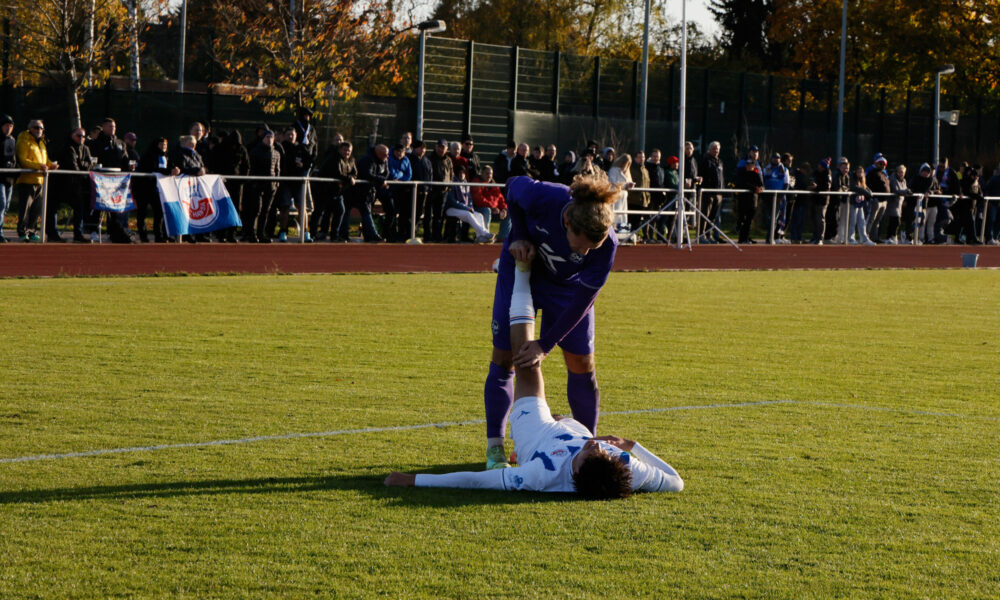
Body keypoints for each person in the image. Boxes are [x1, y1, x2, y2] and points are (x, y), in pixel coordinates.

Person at [483, 175, 619, 469]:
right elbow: (512, 188)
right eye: (581, 247)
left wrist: (545, 345)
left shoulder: (607, 246)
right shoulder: (544, 196)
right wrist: (518, 233)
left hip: (567, 289)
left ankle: (585, 446)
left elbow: (583, 300)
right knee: (507, 357)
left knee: (582, 364)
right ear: (568, 220)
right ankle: (495, 448)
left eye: (591, 249)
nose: (584, 254)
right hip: (522, 272)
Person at [14, 119, 58, 242]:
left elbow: (45, 160)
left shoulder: (42, 143)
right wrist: (39, 166)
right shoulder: (24, 140)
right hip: (27, 181)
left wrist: (51, 165)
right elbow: (23, 160)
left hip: (40, 181)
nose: (39, 130)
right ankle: (22, 232)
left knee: (36, 209)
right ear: (30, 128)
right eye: (36, 127)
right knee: (25, 209)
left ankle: (32, 231)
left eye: (41, 128)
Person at [52, 128, 94, 243]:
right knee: (53, 208)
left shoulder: (86, 148)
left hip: (77, 186)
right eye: (78, 136)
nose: (81, 138)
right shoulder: (68, 147)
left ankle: (78, 235)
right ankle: (52, 234)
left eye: (83, 136)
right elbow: (73, 166)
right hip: (61, 184)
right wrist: (84, 165)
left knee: (79, 209)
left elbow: (89, 164)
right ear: (72, 136)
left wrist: (83, 165)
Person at [242, 130, 281, 243]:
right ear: (263, 138)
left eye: (271, 137)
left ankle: (261, 233)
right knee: (256, 210)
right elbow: (252, 168)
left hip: (271, 186)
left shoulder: (276, 153)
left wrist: (276, 183)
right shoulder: (255, 151)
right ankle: (251, 233)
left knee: (266, 210)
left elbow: (277, 169)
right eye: (267, 137)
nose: (270, 139)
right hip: (257, 185)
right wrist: (253, 183)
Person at [443, 164, 494, 243]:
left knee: (479, 215)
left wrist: (471, 207)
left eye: (463, 173)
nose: (461, 175)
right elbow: (453, 202)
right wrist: (467, 208)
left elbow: (469, 198)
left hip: (463, 209)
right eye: (460, 173)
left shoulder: (466, 184)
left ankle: (479, 237)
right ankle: (485, 233)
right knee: (468, 214)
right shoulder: (453, 184)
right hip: (451, 209)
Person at [136, 137, 170, 243]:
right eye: (161, 144)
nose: (163, 147)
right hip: (145, 188)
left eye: (165, 145)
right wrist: (166, 171)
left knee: (159, 213)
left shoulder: (166, 157)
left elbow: (169, 168)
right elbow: (150, 168)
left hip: (158, 190)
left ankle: (159, 236)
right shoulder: (149, 155)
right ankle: (143, 235)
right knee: (142, 213)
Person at [355, 144, 391, 243]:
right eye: (385, 154)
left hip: (372, 190)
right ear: (378, 153)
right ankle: (374, 235)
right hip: (361, 191)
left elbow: (386, 173)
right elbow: (367, 174)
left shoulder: (385, 161)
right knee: (366, 213)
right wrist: (380, 180)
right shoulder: (367, 160)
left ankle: (368, 236)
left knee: (368, 212)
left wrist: (382, 180)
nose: (387, 157)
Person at [425, 139, 453, 242]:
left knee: (439, 215)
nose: (441, 149)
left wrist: (449, 186)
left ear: (446, 149)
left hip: (443, 191)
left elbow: (451, 173)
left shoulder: (448, 160)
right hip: (431, 190)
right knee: (428, 214)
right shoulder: (429, 158)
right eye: (439, 147)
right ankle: (427, 235)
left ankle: (437, 236)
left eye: (443, 147)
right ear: (436, 147)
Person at [471, 164, 508, 240]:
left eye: (491, 174)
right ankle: (485, 235)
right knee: (486, 210)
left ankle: (502, 237)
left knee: (508, 212)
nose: (489, 176)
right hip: (478, 208)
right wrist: (492, 208)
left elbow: (500, 198)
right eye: (487, 173)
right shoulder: (476, 182)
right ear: (482, 173)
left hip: (494, 209)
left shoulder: (494, 185)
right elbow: (478, 199)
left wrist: (504, 209)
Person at [698, 141, 724, 243]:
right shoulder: (705, 160)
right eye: (714, 148)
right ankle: (701, 235)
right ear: (709, 149)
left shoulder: (720, 161)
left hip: (718, 192)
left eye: (717, 148)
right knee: (705, 214)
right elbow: (701, 174)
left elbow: (721, 177)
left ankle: (709, 235)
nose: (716, 150)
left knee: (713, 216)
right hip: (708, 192)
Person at [762, 152, 790, 243]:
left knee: (774, 218)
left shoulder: (784, 169)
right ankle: (770, 236)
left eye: (777, 158)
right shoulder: (767, 169)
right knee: (767, 218)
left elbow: (786, 184)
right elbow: (762, 182)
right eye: (774, 158)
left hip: (778, 198)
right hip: (768, 197)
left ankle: (770, 238)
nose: (776, 160)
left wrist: (781, 196)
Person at [387, 143, 412, 242]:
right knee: (392, 212)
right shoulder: (389, 159)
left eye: (401, 152)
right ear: (394, 151)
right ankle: (390, 235)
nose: (399, 154)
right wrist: (399, 176)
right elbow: (392, 173)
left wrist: (401, 179)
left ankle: (402, 234)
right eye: (397, 152)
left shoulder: (406, 160)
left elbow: (409, 175)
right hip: (391, 190)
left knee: (404, 213)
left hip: (403, 190)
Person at [734, 158, 763, 244]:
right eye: (747, 165)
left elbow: (760, 185)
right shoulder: (742, 174)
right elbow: (741, 184)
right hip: (743, 200)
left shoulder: (756, 174)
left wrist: (760, 188)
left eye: (751, 165)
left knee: (749, 221)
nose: (749, 166)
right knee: (742, 219)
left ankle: (746, 237)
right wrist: (754, 188)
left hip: (752, 201)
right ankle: (742, 238)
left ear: (754, 166)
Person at [911, 163, 939, 245]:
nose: (926, 173)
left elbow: (937, 189)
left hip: (932, 205)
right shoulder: (916, 178)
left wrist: (933, 192)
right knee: (921, 222)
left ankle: (930, 238)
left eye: (928, 171)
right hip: (922, 205)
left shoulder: (933, 180)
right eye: (924, 171)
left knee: (931, 223)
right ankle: (920, 238)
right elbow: (916, 189)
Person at [865, 154, 890, 243]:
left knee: (878, 220)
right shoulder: (871, 172)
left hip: (884, 201)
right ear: (876, 163)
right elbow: (867, 185)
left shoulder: (884, 174)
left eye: (884, 164)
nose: (882, 165)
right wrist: (872, 197)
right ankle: (866, 237)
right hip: (876, 200)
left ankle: (874, 237)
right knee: (871, 219)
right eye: (880, 163)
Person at [848, 165, 876, 246]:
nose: (860, 174)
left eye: (862, 172)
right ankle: (851, 238)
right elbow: (854, 187)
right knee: (853, 221)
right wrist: (865, 192)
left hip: (860, 203)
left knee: (862, 221)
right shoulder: (852, 178)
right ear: (856, 172)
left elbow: (866, 187)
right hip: (853, 203)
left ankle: (864, 238)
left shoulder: (862, 180)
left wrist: (869, 192)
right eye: (859, 172)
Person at [606, 153, 633, 233]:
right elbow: (613, 183)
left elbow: (629, 181)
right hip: (616, 196)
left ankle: (623, 232)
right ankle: (613, 231)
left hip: (624, 197)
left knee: (623, 216)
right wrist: (624, 186)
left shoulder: (627, 171)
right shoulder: (614, 170)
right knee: (615, 215)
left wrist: (630, 186)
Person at [886, 164, 911, 245]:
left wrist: (908, 191)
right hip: (893, 203)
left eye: (903, 172)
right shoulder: (893, 179)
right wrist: (906, 192)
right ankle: (890, 237)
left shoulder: (904, 180)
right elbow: (896, 190)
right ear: (897, 172)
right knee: (895, 220)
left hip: (900, 203)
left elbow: (905, 188)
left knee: (896, 221)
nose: (901, 174)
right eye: (900, 172)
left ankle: (893, 236)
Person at [628, 150, 650, 237]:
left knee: (640, 221)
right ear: (635, 158)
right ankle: (630, 236)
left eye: (643, 157)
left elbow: (647, 184)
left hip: (643, 200)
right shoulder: (630, 169)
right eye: (640, 157)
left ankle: (636, 236)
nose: (642, 159)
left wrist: (648, 197)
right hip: (633, 200)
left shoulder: (645, 170)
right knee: (632, 220)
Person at [810, 158, 832, 245]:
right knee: (814, 219)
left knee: (821, 219)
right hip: (815, 198)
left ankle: (820, 238)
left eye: (822, 166)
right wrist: (811, 183)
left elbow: (827, 187)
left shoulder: (827, 174)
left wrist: (816, 186)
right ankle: (814, 237)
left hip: (823, 200)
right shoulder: (815, 172)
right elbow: (811, 179)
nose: (820, 167)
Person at [0, 114, 15, 242]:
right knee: (1, 203)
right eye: (6, 126)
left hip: (9, 179)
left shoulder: (12, 140)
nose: (8, 128)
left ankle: (1, 230)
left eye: (10, 126)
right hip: (0, 178)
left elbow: (14, 159)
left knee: (6, 207)